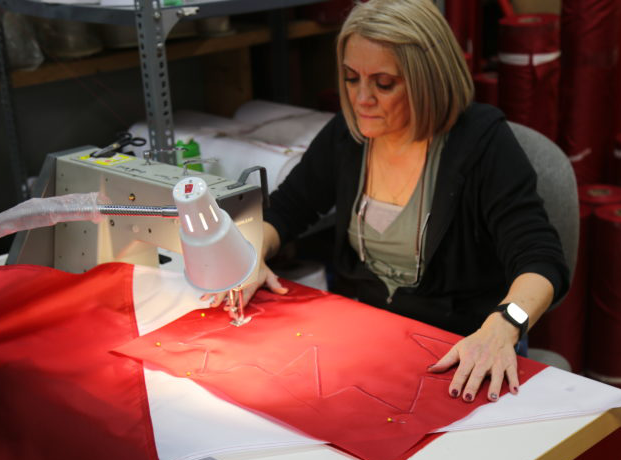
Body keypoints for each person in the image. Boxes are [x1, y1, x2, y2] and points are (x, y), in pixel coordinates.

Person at [203, 0, 569, 404]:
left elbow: (541, 260)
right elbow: (288, 208)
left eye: (383, 83)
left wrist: (505, 324)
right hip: (373, 336)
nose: (361, 99)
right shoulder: (350, 135)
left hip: (465, 345)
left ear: (427, 79)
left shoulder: (482, 143)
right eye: (350, 78)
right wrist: (251, 251)